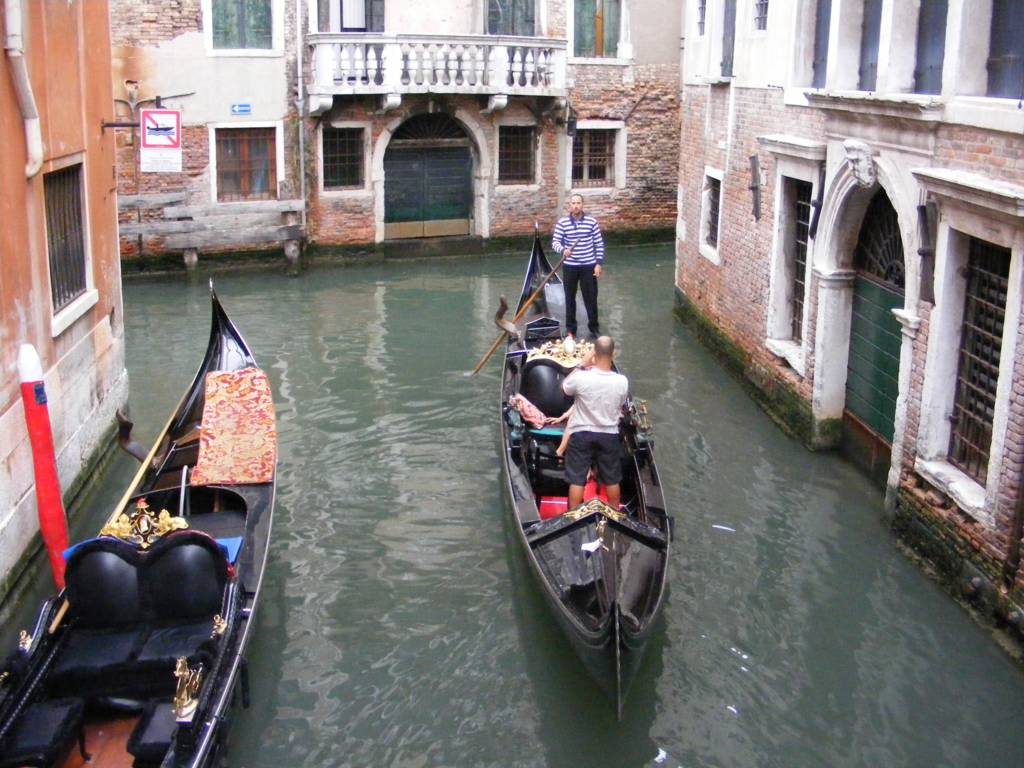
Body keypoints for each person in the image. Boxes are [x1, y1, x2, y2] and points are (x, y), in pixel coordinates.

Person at [560, 336, 628, 510]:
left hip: (582, 433)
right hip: (609, 435)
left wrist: (581, 364)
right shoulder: (622, 381)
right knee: (612, 479)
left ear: (594, 355)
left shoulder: (581, 377)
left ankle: (573, 519)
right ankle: (614, 517)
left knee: (577, 480)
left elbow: (564, 388)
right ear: (613, 354)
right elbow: (620, 404)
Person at [552, 193, 604, 340]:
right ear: (570, 205)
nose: (576, 205)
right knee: (570, 298)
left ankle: (594, 328)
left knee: (591, 298)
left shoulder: (591, 222)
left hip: (588, 265)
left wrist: (598, 263)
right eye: (573, 203)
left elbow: (599, 244)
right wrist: (563, 250)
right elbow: (555, 242)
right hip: (570, 266)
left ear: (582, 205)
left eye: (578, 203)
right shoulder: (562, 223)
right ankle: (571, 330)